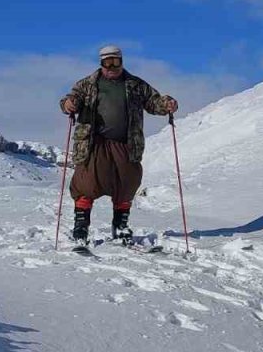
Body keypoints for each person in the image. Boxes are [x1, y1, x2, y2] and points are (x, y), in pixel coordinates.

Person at [60, 45, 178, 245]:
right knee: (86, 183)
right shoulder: (87, 84)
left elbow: (153, 101)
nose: (111, 66)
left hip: (126, 143)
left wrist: (167, 104)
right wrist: (68, 104)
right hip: (94, 144)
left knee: (127, 182)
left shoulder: (135, 85)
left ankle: (120, 226)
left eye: (115, 61)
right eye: (107, 62)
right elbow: (70, 100)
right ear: (101, 63)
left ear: (122, 61)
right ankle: (81, 227)